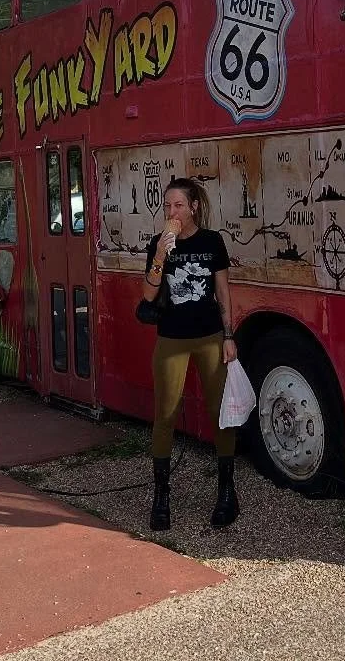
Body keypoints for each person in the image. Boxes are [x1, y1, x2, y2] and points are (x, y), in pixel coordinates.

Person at [140, 177, 239, 530]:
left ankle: (227, 492)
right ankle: (161, 496)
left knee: (218, 412)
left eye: (178, 205)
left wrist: (229, 336)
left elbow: (223, 294)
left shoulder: (212, 242)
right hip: (171, 337)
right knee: (165, 415)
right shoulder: (159, 244)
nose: (172, 212)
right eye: (167, 206)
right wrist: (160, 256)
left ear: (194, 206)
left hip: (210, 336)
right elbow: (149, 295)